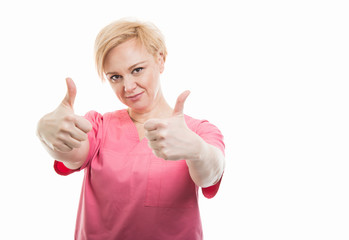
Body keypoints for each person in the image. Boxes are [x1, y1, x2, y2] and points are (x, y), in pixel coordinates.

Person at [37, 19, 225, 240]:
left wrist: (198, 151)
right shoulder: (99, 125)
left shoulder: (199, 131)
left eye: (137, 70)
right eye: (115, 77)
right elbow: (72, 153)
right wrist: (46, 133)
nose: (128, 87)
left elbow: (210, 174)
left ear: (160, 59)